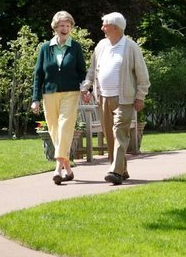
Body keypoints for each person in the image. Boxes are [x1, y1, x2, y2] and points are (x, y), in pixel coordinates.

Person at [82, 12, 150, 185]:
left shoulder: (131, 47)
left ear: (115, 27)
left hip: (124, 99)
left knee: (120, 133)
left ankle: (115, 171)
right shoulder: (101, 46)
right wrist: (86, 85)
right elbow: (92, 69)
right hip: (103, 97)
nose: (102, 27)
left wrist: (140, 97)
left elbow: (143, 76)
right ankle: (122, 169)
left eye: (104, 24)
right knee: (110, 137)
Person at [31, 11, 88, 185]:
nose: (65, 28)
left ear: (71, 28)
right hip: (49, 94)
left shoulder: (75, 47)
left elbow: (82, 72)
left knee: (64, 127)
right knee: (55, 130)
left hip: (70, 93)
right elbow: (38, 74)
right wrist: (35, 98)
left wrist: (86, 89)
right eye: (62, 25)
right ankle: (68, 168)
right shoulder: (45, 48)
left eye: (68, 25)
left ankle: (57, 168)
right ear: (55, 27)